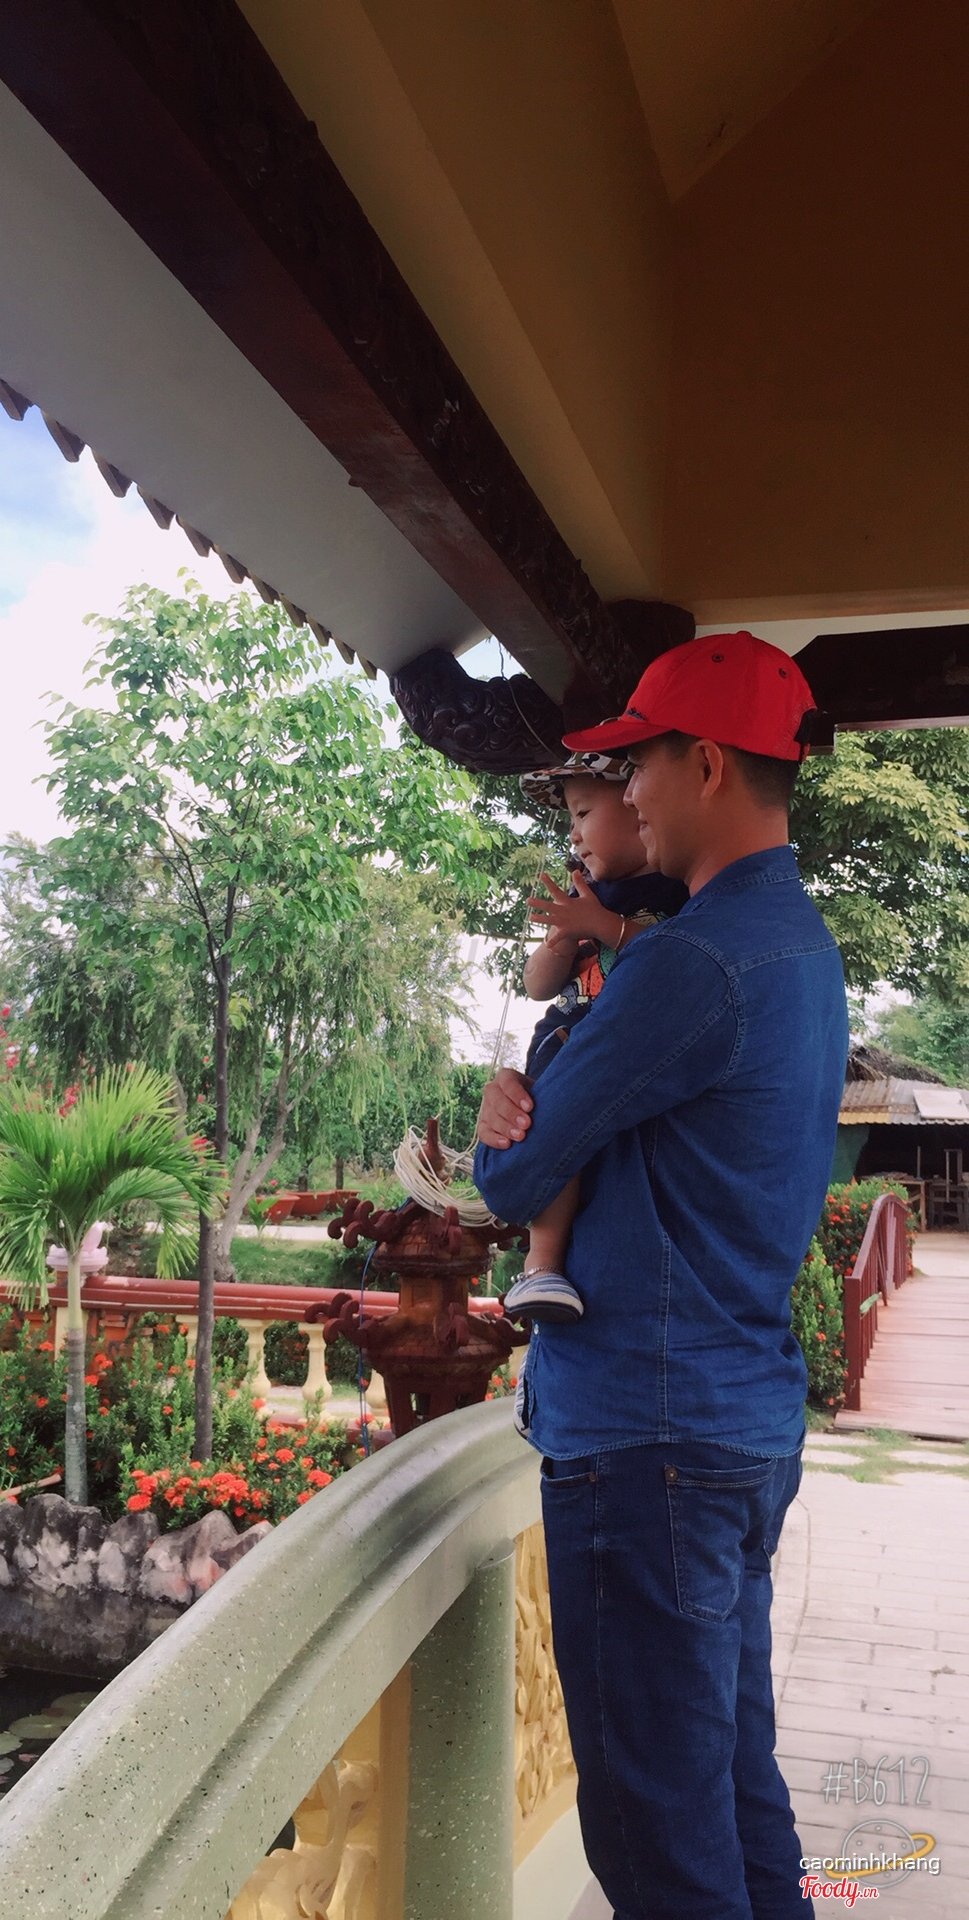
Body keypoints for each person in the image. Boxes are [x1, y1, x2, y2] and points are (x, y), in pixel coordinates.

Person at [472, 630, 848, 1920]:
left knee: (655, 1843)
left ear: (707, 764)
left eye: (638, 763)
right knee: (732, 1801)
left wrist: (500, 1117)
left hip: (648, 1444)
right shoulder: (800, 944)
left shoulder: (691, 962)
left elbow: (518, 1179)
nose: (624, 792)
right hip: (732, 1427)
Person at [503, 753, 686, 1326]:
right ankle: (542, 1263)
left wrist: (601, 925)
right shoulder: (582, 894)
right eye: (570, 819)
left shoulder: (675, 890)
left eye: (584, 813)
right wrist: (561, 938)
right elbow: (536, 986)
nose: (574, 834)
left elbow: (669, 958)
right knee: (554, 1137)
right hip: (564, 1042)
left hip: (625, 1049)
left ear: (637, 807)